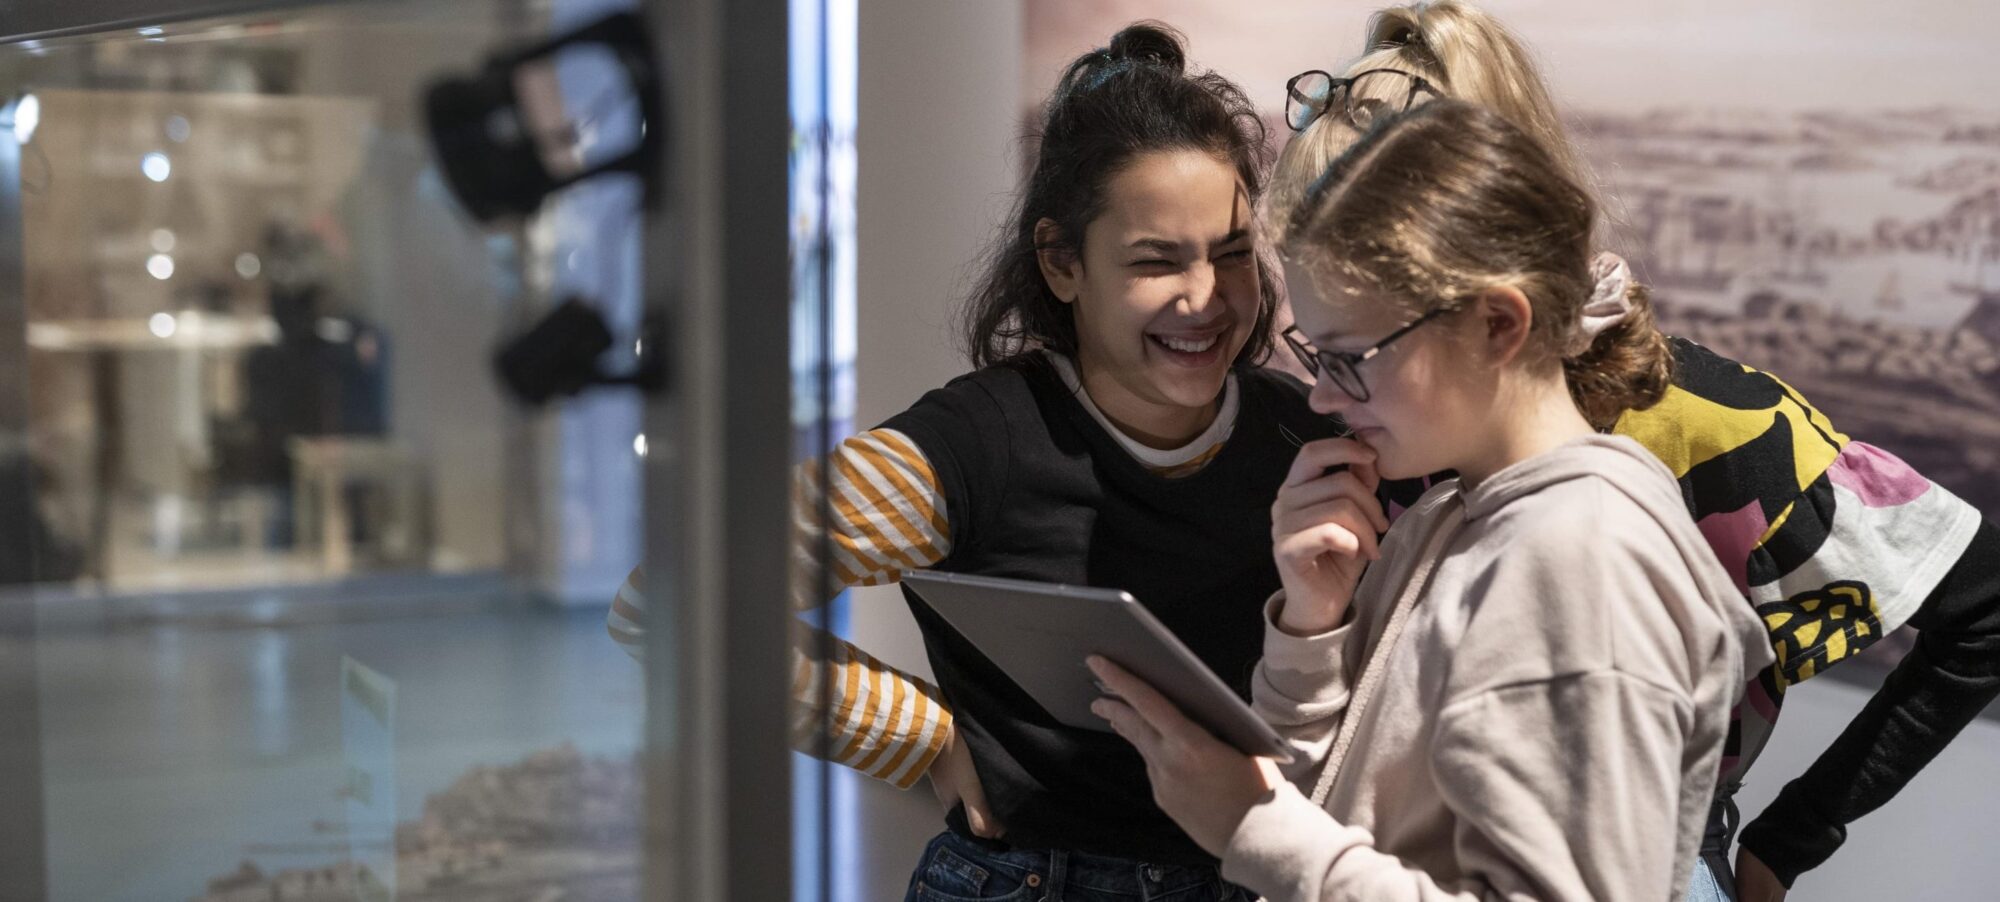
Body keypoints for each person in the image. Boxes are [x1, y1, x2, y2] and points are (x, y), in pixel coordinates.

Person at [1261, 4, 2000, 898]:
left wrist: (1786, 841)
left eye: (1356, 336)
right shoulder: (1379, 419)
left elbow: (1982, 608)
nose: (1326, 391)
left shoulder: (1699, 427)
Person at [612, 23, 1338, 901]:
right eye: (1155, 261)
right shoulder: (976, 442)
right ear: (1061, 263)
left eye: (1231, 255)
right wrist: (923, 738)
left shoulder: (1306, 434)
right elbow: (676, 603)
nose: (1205, 298)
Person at [1093, 97, 1773, 901]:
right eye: (1316, 355)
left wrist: (1250, 824)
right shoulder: (1447, 518)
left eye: (1351, 357)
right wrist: (1315, 622)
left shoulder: (1585, 558)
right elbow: (1336, 804)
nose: (1319, 398)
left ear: (1496, 324)